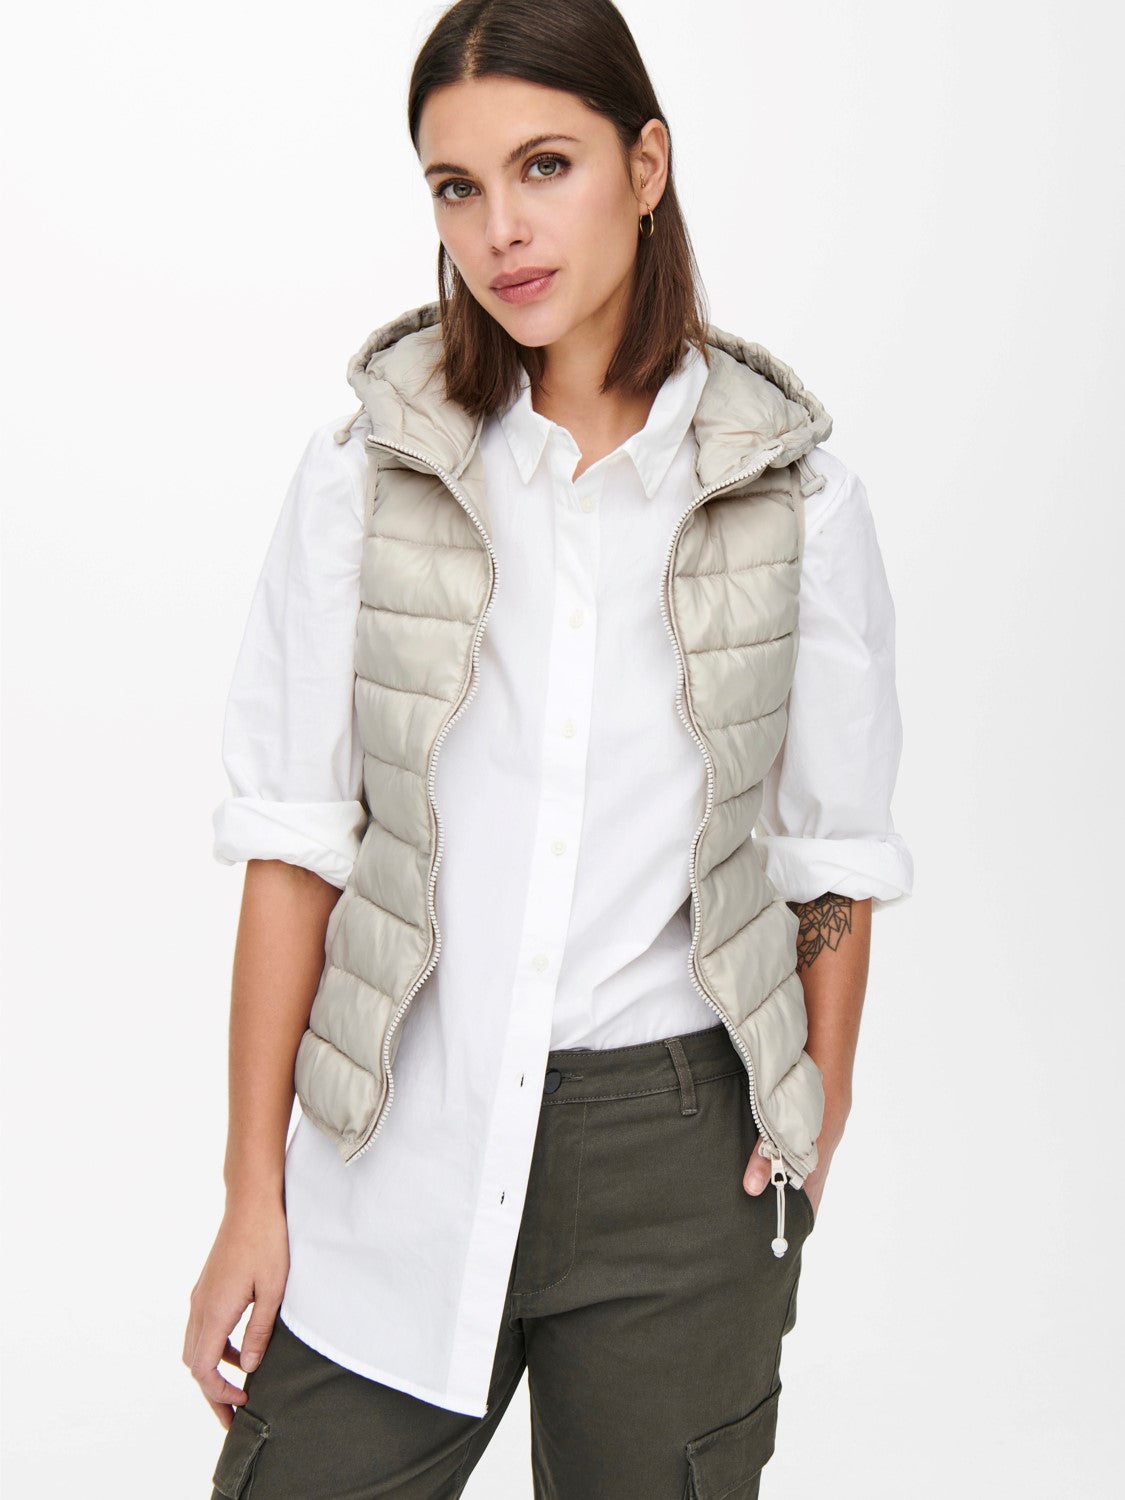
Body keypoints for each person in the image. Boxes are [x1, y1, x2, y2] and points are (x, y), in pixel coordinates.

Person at [186, 1, 913, 1495]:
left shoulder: (795, 498)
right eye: (457, 187)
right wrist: (253, 1189)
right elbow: (293, 845)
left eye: (544, 166)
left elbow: (829, 854)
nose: (500, 229)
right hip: (399, 1129)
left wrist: (814, 1120)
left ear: (646, 166)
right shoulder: (363, 475)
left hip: (678, 1156)